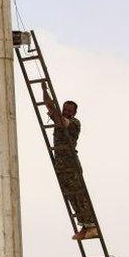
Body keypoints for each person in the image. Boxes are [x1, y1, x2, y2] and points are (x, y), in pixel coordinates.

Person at [46, 98, 99, 240]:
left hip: (71, 166)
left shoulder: (74, 123)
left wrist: (53, 108)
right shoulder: (59, 118)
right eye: (65, 109)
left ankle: (92, 226)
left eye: (70, 110)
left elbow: (60, 119)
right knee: (72, 197)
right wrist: (45, 92)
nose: (67, 112)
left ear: (74, 113)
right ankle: (85, 227)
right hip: (62, 166)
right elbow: (51, 110)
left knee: (79, 196)